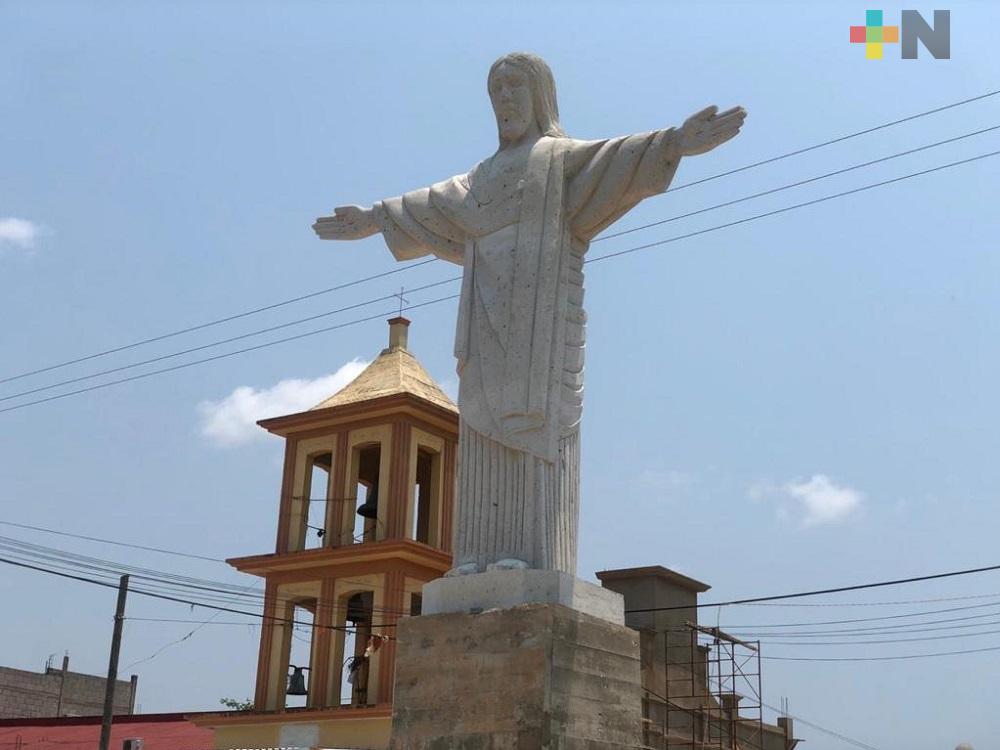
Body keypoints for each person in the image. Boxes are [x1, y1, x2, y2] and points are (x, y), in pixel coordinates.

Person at [315, 52, 746, 576]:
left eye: (515, 87)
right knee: (481, 430)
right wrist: (374, 218)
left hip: (540, 326)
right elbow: (431, 204)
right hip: (484, 325)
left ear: (540, 95)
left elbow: (617, 157)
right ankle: (476, 555)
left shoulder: (558, 160)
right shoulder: (479, 179)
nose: (505, 99)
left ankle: (531, 556)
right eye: (496, 91)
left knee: (534, 427)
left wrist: (674, 142)